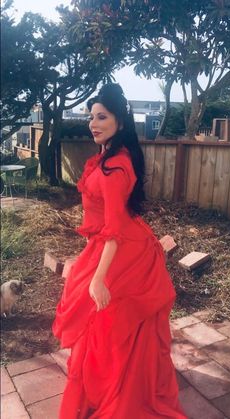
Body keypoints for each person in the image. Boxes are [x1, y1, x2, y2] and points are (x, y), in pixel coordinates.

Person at [52, 83, 187, 419]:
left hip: (125, 251)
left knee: (113, 324)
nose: (93, 123)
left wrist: (98, 278)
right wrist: (89, 260)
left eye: (102, 117)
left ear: (120, 123)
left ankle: (123, 391)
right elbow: (102, 224)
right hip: (114, 245)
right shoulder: (105, 159)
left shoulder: (116, 167)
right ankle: (113, 385)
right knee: (103, 325)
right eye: (91, 117)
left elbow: (113, 229)